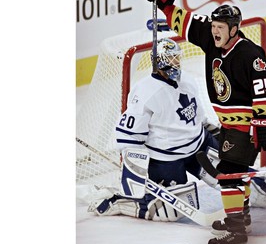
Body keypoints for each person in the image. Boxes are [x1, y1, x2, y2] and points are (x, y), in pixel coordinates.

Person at [142, 0, 266, 244]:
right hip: (228, 125)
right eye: (214, 27)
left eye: (220, 28)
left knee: (229, 175)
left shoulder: (250, 55)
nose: (215, 32)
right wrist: (164, 0)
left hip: (246, 127)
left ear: (234, 29)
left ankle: (236, 232)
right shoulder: (210, 37)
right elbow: (186, 22)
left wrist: (264, 123)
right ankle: (240, 219)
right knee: (236, 175)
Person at [88, 38, 219, 221]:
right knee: (172, 211)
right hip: (166, 159)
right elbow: (129, 137)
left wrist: (214, 131)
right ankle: (122, 202)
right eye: (171, 58)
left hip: (199, 145)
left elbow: (198, 115)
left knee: (232, 179)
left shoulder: (187, 80)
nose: (176, 63)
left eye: (177, 58)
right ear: (160, 61)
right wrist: (137, 171)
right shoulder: (145, 92)